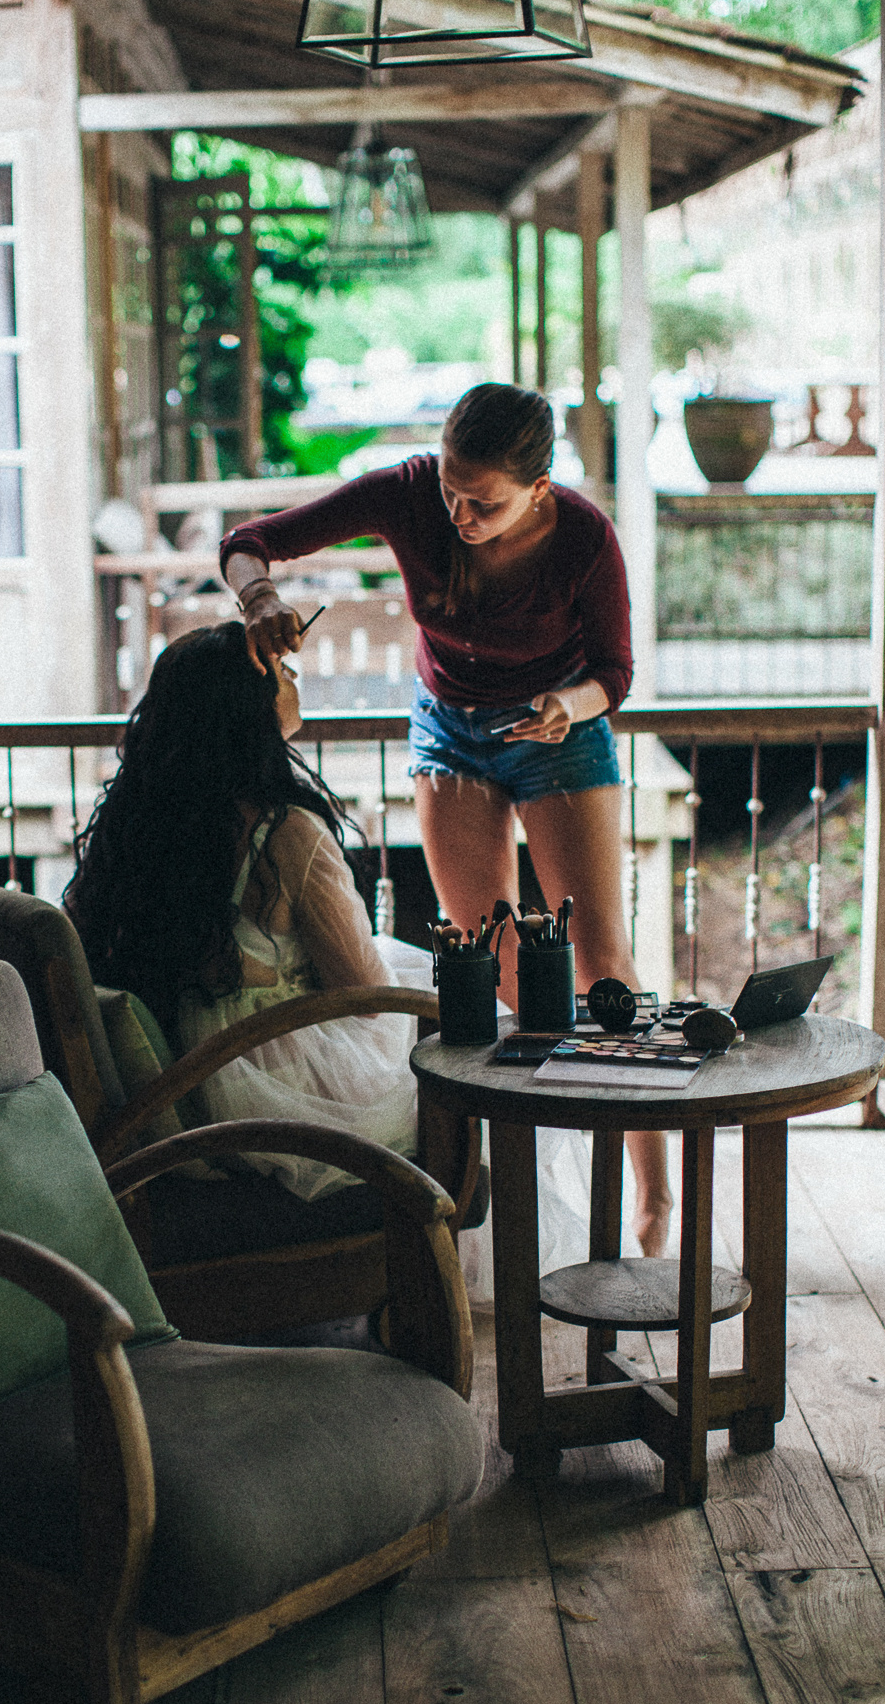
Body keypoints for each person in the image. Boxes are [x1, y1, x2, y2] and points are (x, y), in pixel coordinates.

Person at [221, 381, 673, 1257]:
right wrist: (260, 600)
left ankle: (653, 1196)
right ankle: (542, 1177)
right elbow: (251, 543)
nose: (460, 515)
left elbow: (614, 673)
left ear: (539, 488)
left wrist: (568, 706)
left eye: (485, 503)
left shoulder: (583, 536)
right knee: (496, 969)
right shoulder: (409, 490)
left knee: (603, 967)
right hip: (450, 734)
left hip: (560, 731)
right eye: (452, 495)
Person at [64, 620, 424, 1202]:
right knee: (470, 1046)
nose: (294, 676)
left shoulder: (143, 822)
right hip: (274, 1091)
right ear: (246, 705)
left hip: (198, 1072)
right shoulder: (286, 834)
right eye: (282, 671)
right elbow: (364, 995)